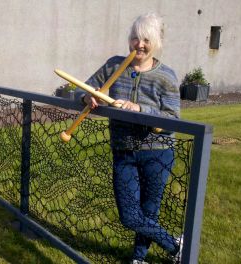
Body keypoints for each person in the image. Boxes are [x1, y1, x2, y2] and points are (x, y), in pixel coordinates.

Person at [77, 12, 182, 263]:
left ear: (156, 42)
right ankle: (175, 246)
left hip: (158, 152)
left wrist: (140, 110)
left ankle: (139, 257)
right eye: (135, 38)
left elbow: (173, 118)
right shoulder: (115, 66)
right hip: (124, 150)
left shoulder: (166, 76)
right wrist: (87, 97)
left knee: (149, 210)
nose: (140, 45)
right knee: (129, 215)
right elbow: (88, 87)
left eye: (146, 39)